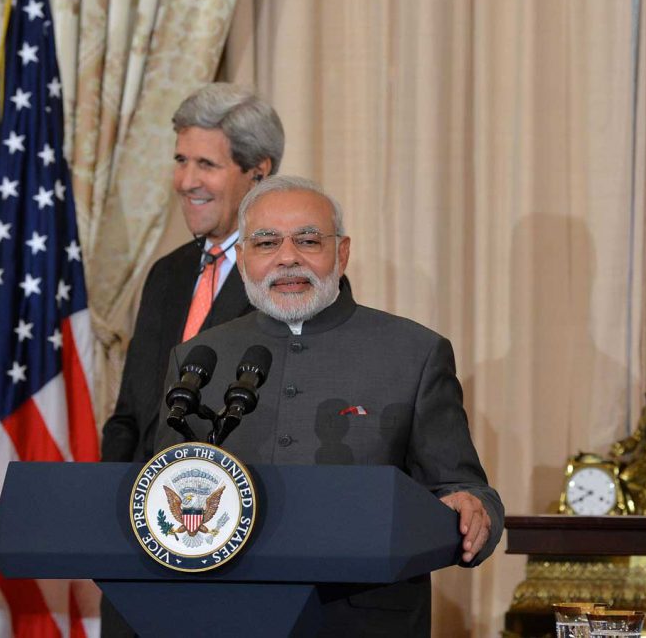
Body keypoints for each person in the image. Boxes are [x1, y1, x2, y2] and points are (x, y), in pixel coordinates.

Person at [154, 175, 503, 636]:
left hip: (364, 620)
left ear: (341, 253)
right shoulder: (199, 358)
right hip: (224, 615)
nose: (287, 257)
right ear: (242, 260)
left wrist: (471, 507)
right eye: (265, 242)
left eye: (308, 240)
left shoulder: (414, 353)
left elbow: (463, 487)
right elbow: (161, 484)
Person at [100, 83, 283, 464]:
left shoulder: (287, 276)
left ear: (259, 172)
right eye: (181, 160)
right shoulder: (167, 273)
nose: (185, 182)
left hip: (238, 496)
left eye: (206, 165)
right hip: (145, 496)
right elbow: (130, 414)